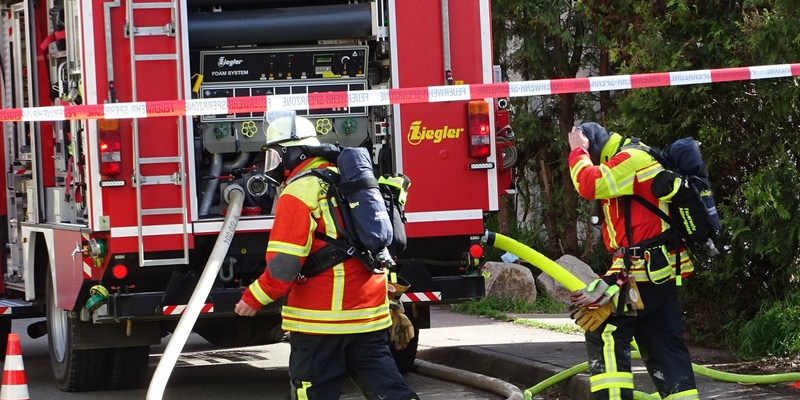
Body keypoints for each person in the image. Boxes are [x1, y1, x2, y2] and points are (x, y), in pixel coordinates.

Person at [235, 114, 418, 400]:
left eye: (274, 155)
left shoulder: (298, 192)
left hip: (321, 320)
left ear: (291, 154)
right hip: (370, 315)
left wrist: (252, 298)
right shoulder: (348, 180)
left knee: (314, 393)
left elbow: (284, 265)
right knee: (389, 391)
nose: (273, 165)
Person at [566, 122, 700, 400]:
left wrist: (578, 151)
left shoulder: (630, 159)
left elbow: (590, 184)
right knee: (665, 346)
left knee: (603, 327)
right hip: (656, 272)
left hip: (641, 271)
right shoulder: (637, 157)